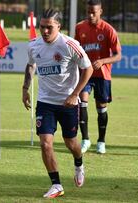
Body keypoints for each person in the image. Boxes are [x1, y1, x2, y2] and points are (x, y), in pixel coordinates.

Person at [22, 9, 93, 199]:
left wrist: (75, 94)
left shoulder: (70, 44)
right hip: (45, 102)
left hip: (68, 103)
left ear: (58, 27)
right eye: (42, 27)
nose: (44, 31)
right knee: (45, 144)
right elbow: (30, 65)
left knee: (71, 143)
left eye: (49, 27)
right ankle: (56, 185)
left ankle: (79, 162)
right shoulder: (34, 46)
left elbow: (88, 69)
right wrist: (25, 88)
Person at [74, 0, 122, 154]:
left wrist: (102, 61)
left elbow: (118, 55)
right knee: (82, 104)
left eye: (93, 12)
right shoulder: (80, 27)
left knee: (101, 109)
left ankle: (101, 141)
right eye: (88, 11)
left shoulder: (108, 30)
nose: (90, 15)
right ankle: (85, 140)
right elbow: (76, 50)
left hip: (102, 75)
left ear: (100, 11)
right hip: (85, 74)